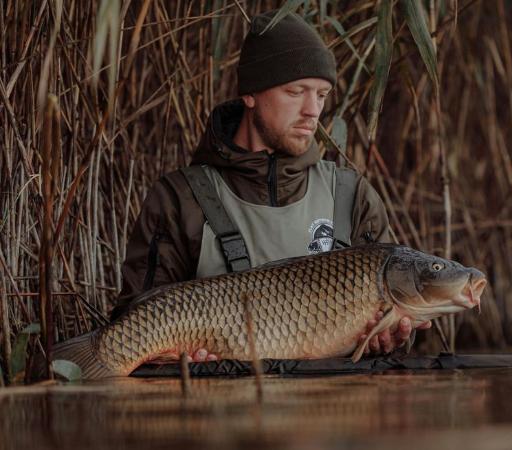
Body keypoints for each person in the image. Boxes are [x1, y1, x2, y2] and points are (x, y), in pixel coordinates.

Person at [111, 11, 430, 362]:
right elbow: (135, 321)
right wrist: (168, 360)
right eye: (296, 92)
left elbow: (396, 335)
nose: (313, 110)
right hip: (219, 409)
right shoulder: (180, 198)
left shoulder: (350, 195)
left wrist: (391, 340)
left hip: (332, 409)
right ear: (250, 94)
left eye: (322, 94)